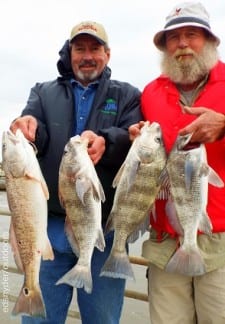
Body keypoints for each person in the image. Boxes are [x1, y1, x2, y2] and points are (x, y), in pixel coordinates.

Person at [10, 21, 142, 324]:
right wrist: (26, 125)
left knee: (102, 319)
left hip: (101, 233)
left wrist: (107, 141)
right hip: (49, 228)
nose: (87, 55)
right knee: (39, 318)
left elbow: (132, 141)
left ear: (107, 54)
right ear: (69, 53)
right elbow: (35, 131)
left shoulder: (128, 95)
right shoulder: (42, 93)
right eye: (79, 48)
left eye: (95, 48)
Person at [129, 2, 225, 323]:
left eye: (192, 34)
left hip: (221, 240)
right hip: (165, 240)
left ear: (210, 41)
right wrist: (134, 136)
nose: (182, 44)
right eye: (174, 37)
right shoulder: (150, 93)